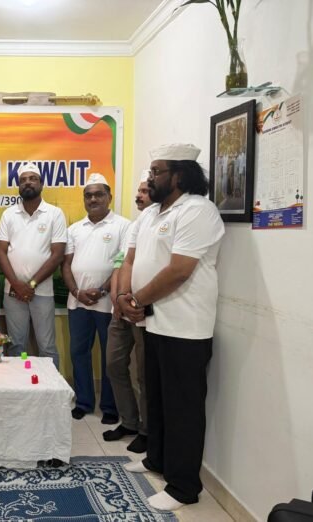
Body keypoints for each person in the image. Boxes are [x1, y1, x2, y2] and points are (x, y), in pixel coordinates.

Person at [118, 144, 225, 511]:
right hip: (154, 322)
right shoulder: (151, 214)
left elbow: (179, 270)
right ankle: (157, 460)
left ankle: (183, 486)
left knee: (183, 408)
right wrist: (126, 297)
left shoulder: (197, 211)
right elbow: (131, 260)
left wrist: (137, 300)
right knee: (158, 399)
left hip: (185, 327)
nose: (150, 178)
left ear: (179, 175)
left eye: (157, 171)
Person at [62, 173, 130, 424]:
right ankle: (83, 402)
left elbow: (122, 263)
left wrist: (102, 290)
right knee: (78, 352)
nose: (93, 199)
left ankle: (110, 407)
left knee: (109, 357)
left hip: (109, 303)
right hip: (78, 303)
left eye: (99, 194)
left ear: (109, 197)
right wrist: (76, 292)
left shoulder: (123, 226)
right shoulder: (74, 229)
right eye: (88, 195)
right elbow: (66, 265)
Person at [0, 161, 66, 368]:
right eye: (23, 180)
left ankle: (52, 388)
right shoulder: (9, 214)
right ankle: (19, 386)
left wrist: (31, 284)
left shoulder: (54, 214)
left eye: (33, 179)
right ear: (18, 185)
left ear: (41, 184)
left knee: (47, 347)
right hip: (13, 292)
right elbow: (1, 251)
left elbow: (57, 255)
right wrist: (17, 285)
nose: (28, 183)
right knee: (16, 346)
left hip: (42, 292)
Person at [103, 170, 153, 453]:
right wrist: (117, 296)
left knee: (145, 374)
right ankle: (130, 422)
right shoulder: (134, 226)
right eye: (139, 191)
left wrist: (132, 300)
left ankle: (146, 430)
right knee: (113, 364)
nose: (138, 195)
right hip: (120, 310)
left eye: (144, 191)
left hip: (142, 311)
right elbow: (121, 263)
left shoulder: (159, 227)